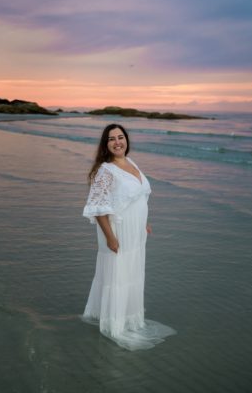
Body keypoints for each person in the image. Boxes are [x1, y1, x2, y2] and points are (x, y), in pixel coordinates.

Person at [82, 123, 176, 349]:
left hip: (136, 232)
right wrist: (110, 238)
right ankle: (115, 324)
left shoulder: (131, 163)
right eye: (112, 139)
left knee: (132, 273)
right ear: (106, 145)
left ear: (126, 140)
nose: (117, 142)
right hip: (118, 231)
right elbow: (99, 208)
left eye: (120, 137)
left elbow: (138, 197)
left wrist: (144, 222)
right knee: (118, 276)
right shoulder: (105, 171)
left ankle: (129, 318)